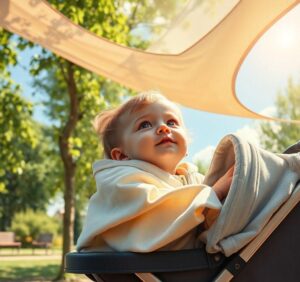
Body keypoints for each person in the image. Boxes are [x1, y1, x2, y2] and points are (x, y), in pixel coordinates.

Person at [76, 90, 234, 252]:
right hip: (139, 273)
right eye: (145, 125)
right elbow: (156, 216)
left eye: (172, 122)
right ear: (122, 155)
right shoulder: (121, 181)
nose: (163, 128)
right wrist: (213, 194)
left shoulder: (193, 179)